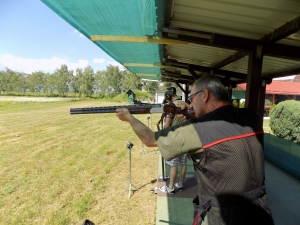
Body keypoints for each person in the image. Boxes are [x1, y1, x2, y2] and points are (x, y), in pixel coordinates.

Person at [116, 75, 274, 225]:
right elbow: (222, 125)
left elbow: (150, 139)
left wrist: (130, 118)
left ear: (204, 94)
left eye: (192, 98)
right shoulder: (251, 117)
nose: (190, 104)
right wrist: (194, 115)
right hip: (260, 211)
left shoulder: (196, 129)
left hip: (224, 217)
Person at [159, 90, 187, 194]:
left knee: (173, 164)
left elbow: (167, 125)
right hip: (185, 137)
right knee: (183, 163)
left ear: (168, 98)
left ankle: (170, 187)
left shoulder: (171, 107)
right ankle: (181, 184)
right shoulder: (184, 103)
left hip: (175, 137)